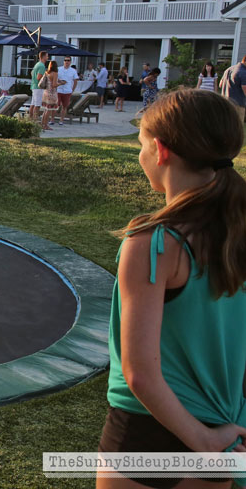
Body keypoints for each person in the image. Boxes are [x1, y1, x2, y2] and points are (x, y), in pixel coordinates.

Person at [97, 88, 246, 488]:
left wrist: (204, 442)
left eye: (141, 144)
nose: (140, 154)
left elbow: (140, 374)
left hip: (150, 430)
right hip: (223, 423)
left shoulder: (153, 243)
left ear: (161, 151)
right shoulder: (238, 232)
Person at [218, 55, 246, 123]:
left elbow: (220, 85)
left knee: (225, 125)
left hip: (225, 102)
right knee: (237, 127)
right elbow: (245, 89)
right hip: (238, 105)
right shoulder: (243, 73)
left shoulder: (229, 69)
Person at [57, 57, 80, 124]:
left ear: (70, 62)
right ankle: (52, 119)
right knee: (56, 105)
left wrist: (72, 89)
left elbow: (75, 80)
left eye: (68, 60)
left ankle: (61, 120)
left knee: (65, 106)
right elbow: (54, 78)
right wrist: (60, 81)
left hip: (67, 90)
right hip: (59, 90)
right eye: (65, 60)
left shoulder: (73, 71)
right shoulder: (59, 69)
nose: (66, 62)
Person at [40, 61, 60, 131]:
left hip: (45, 92)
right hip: (52, 93)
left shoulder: (47, 72)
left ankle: (42, 124)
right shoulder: (55, 73)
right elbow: (54, 85)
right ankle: (45, 125)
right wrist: (61, 83)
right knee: (49, 110)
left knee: (45, 110)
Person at [29, 50, 49, 122]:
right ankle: (35, 120)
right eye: (47, 56)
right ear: (43, 57)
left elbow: (32, 73)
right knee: (37, 105)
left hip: (34, 86)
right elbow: (39, 77)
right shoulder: (42, 66)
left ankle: (30, 119)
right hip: (38, 87)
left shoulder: (37, 64)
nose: (48, 57)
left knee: (33, 104)